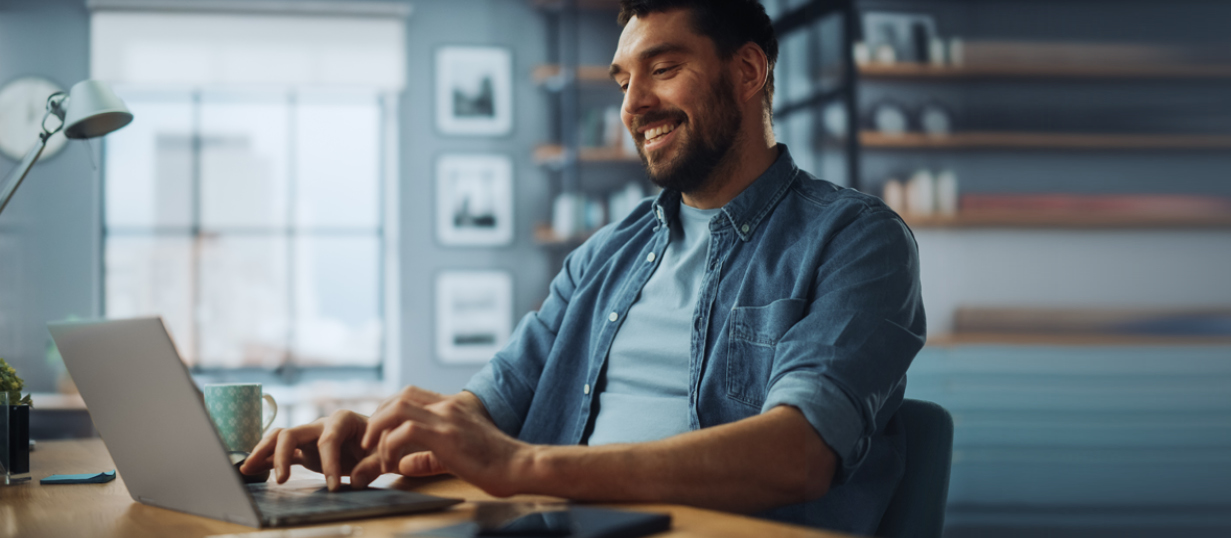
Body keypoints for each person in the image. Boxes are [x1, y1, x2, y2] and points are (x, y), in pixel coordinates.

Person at [238, 0, 925, 533]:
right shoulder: (604, 256)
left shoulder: (857, 239)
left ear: (747, 72)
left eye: (663, 69)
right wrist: (388, 441)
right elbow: (492, 404)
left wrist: (520, 465)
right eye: (624, 81)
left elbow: (798, 452)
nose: (633, 107)